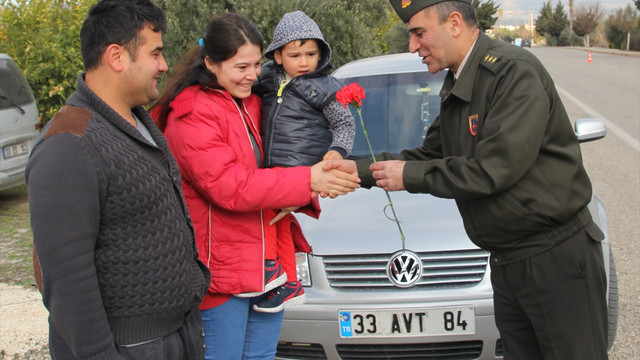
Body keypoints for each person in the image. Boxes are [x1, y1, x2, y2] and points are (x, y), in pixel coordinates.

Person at [326, 1, 609, 359]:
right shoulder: (461, 81)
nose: (413, 46)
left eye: (418, 33)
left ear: (455, 23)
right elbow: (430, 155)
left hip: (553, 257)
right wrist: (361, 170)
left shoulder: (511, 72)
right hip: (509, 262)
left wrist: (408, 175)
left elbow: (494, 169)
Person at [150, 13, 359, 360]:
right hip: (223, 267)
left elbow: (288, 148)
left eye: (254, 64)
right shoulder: (191, 113)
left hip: (266, 259)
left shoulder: (249, 99)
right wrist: (307, 180)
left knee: (261, 356)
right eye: (240, 67)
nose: (252, 75)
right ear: (211, 63)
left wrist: (325, 164)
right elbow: (230, 186)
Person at [25, 1, 211, 359]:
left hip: (172, 338)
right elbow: (66, 276)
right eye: (155, 53)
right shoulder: (70, 142)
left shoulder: (136, 123)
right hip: (127, 348)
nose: (164, 65)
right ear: (116, 56)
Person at [252, 10, 355, 313]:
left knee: (274, 220)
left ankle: (275, 272)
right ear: (278, 56)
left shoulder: (325, 87)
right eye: (295, 55)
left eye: (311, 53)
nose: (304, 61)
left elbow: (345, 124)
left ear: (321, 53)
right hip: (269, 169)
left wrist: (337, 152)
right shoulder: (267, 78)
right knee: (276, 222)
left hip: (304, 170)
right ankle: (283, 278)